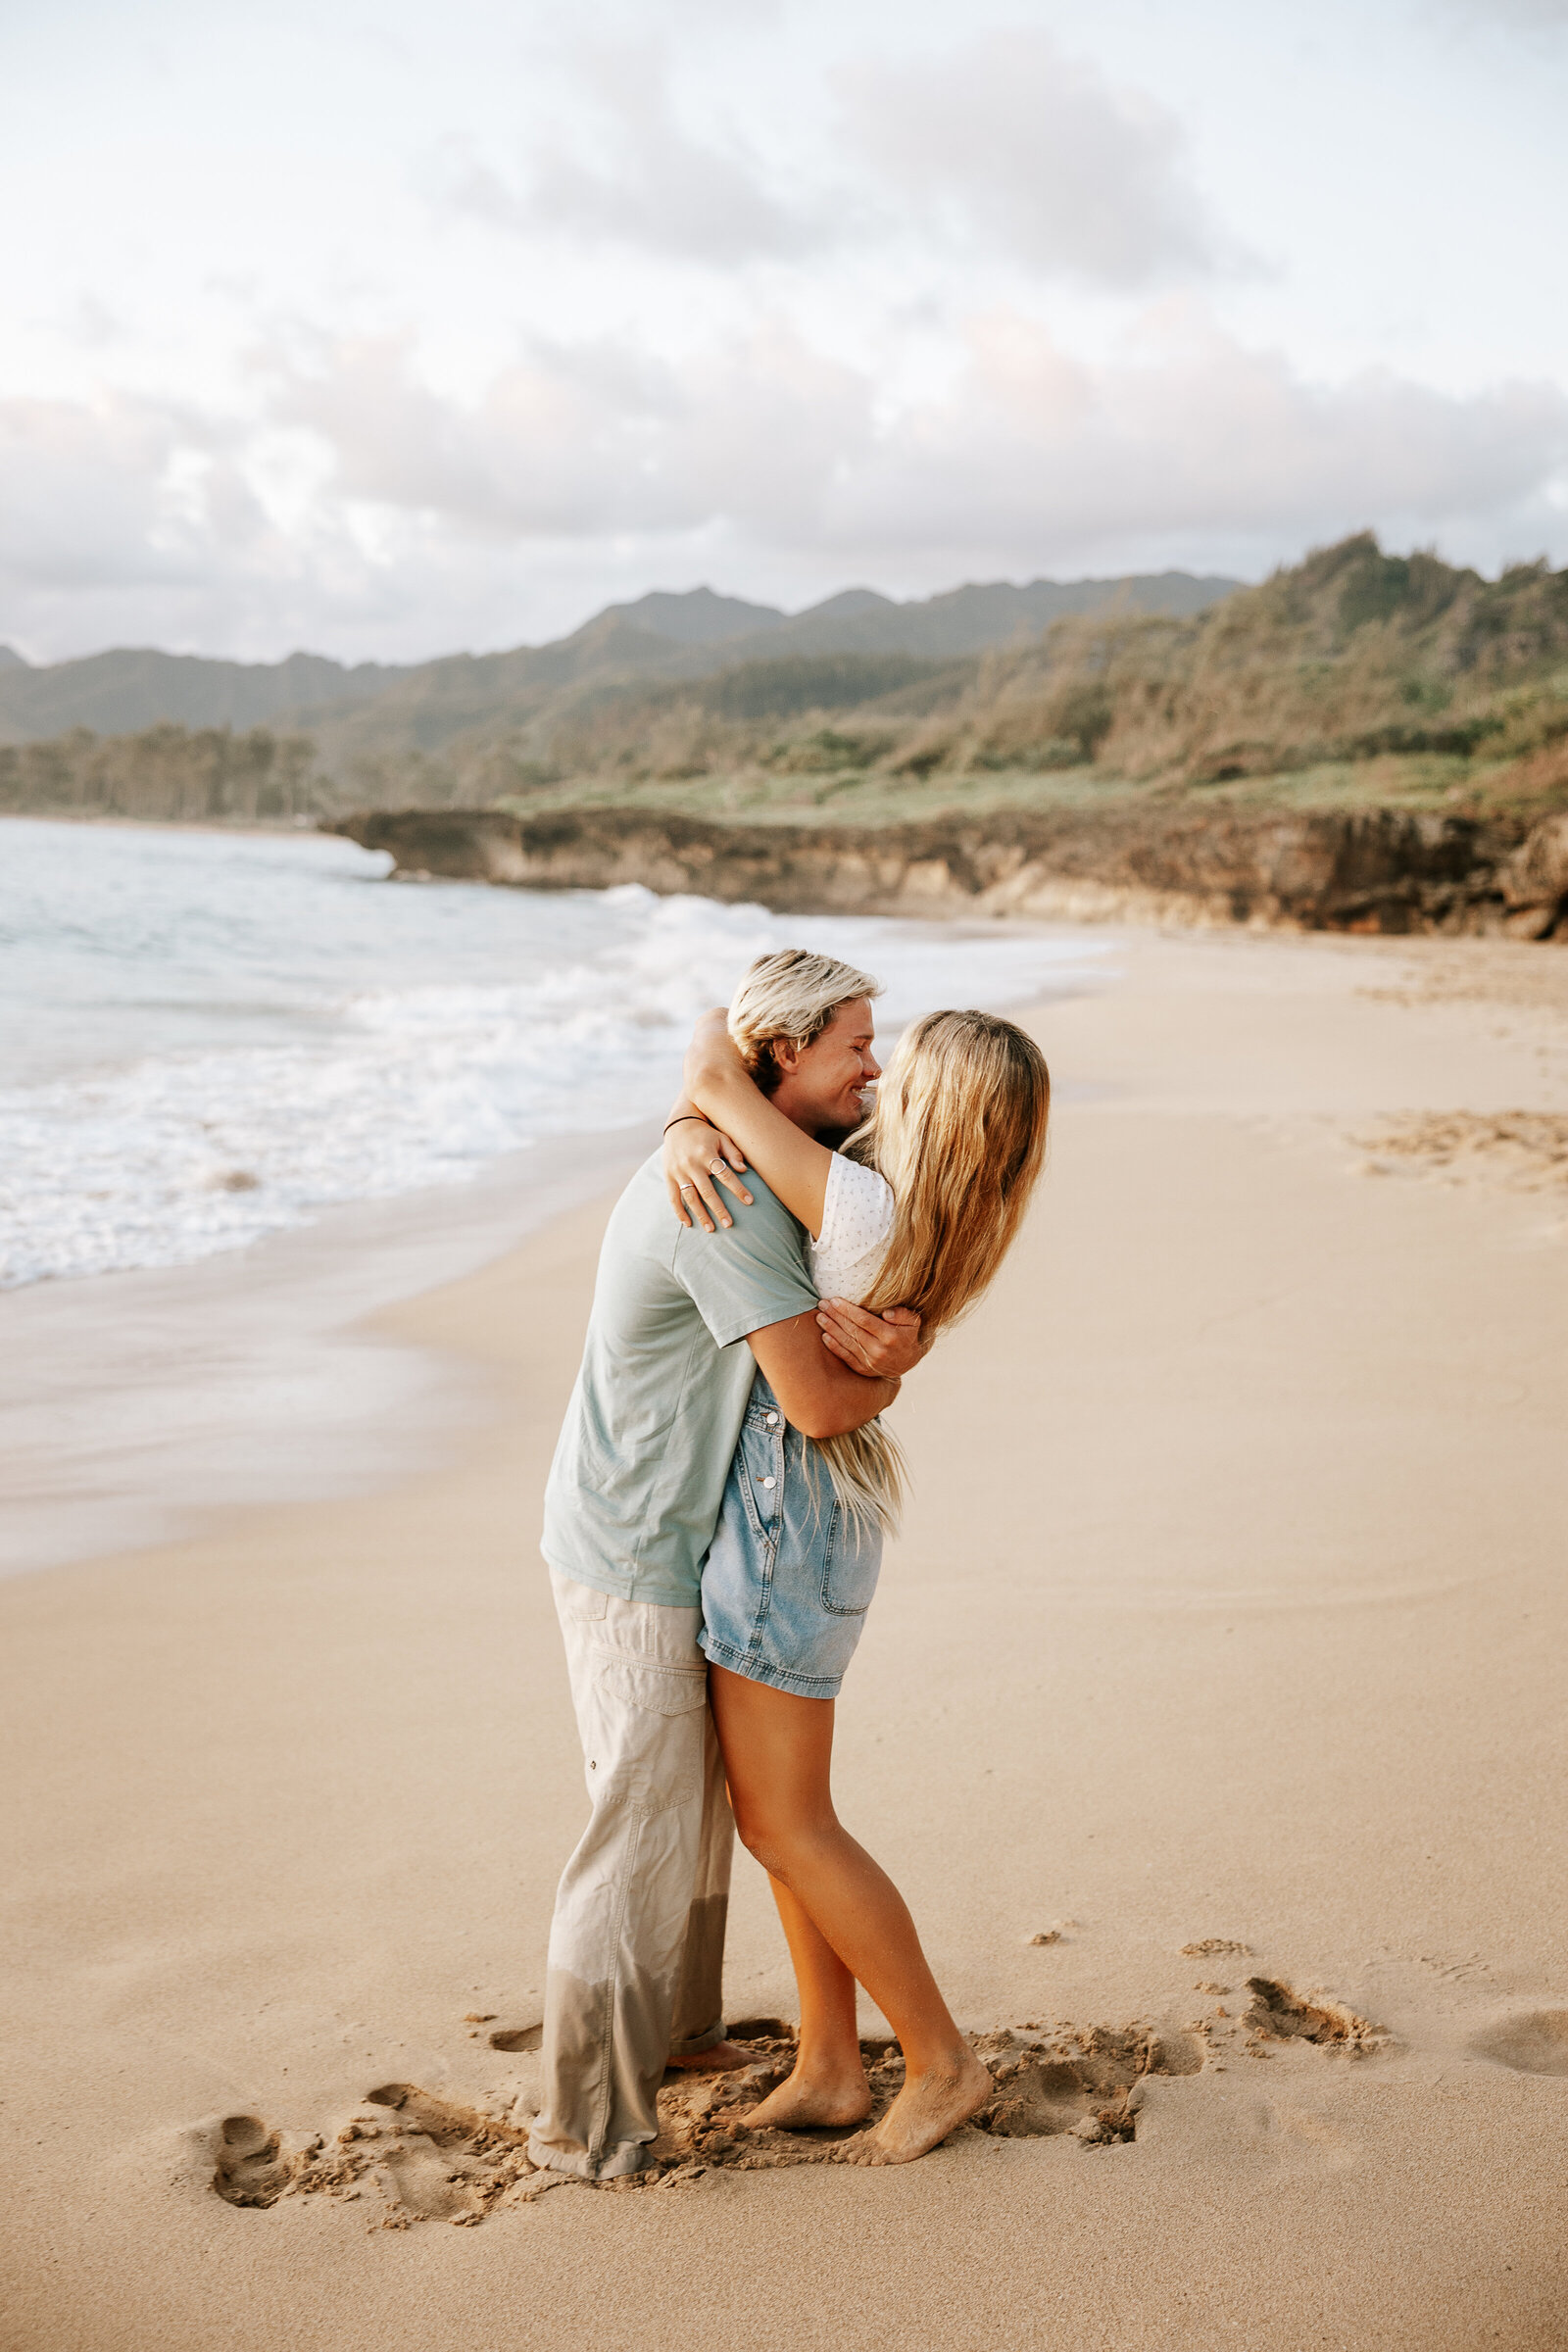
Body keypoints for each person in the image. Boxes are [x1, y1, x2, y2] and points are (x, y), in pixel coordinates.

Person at [528, 951, 925, 2182]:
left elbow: (713, 1039)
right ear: (780, 1061)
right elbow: (814, 1405)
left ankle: (676, 2030)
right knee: (636, 1822)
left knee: (691, 1814)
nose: (878, 1063)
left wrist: (694, 1096)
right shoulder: (731, 1201)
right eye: (855, 1044)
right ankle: (588, 2116)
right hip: (633, 1539)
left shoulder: (751, 1153)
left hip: (664, 1519)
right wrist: (898, 1361)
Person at [662, 996, 1051, 2163]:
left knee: (789, 1822)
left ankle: (938, 2060)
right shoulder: (951, 1207)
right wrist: (693, 1125)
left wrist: (693, 1120)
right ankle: (830, 2061)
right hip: (820, 1508)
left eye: (899, 1069)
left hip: (791, 1508)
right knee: (779, 1818)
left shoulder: (862, 1199)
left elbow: (708, 1056)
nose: (874, 1078)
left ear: (933, 1107)